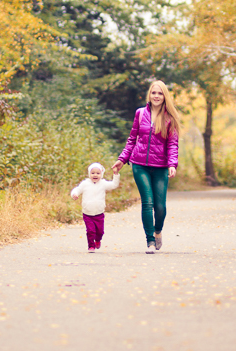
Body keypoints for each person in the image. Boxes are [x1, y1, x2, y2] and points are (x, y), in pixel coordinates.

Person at [113, 80, 180, 253]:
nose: (156, 96)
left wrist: (172, 164)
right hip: (139, 164)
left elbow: (172, 144)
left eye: (160, 93)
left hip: (160, 166)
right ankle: (150, 241)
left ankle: (158, 231)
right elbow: (132, 139)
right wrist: (122, 159)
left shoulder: (169, 118)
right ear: (149, 95)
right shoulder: (140, 114)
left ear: (165, 96)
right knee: (147, 202)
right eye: (153, 93)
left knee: (160, 207)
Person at [70, 162, 120, 252]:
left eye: (98, 173)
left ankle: (98, 240)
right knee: (90, 231)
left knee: (100, 232)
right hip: (87, 213)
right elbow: (77, 189)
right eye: (93, 173)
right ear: (89, 174)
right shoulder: (85, 183)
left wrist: (115, 174)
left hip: (99, 213)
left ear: (101, 174)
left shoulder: (103, 183)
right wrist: (75, 194)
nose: (95, 175)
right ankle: (91, 246)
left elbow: (114, 185)